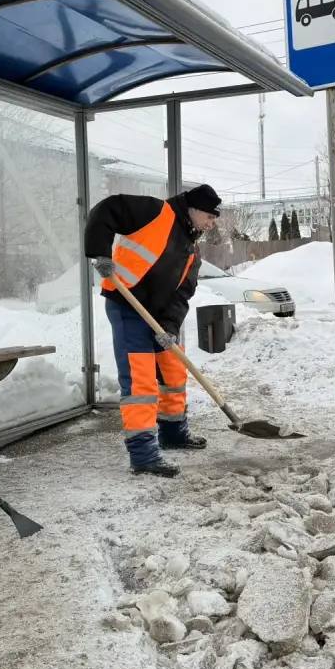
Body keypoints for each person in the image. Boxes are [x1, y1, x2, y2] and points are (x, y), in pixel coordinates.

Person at [84, 184, 221, 477]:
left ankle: (173, 432)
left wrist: (170, 329)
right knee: (140, 380)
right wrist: (100, 253)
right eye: (209, 216)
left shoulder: (191, 251)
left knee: (173, 370)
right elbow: (106, 209)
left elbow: (182, 295)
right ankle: (144, 454)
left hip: (158, 318)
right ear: (194, 209)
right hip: (127, 305)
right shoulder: (155, 211)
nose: (211, 223)